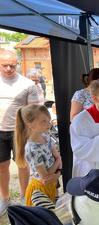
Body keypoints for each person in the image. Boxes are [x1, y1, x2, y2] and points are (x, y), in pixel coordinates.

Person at [0, 49, 41, 216]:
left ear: (17, 64)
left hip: (20, 131)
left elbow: (33, 111)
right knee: (1, 167)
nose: (9, 69)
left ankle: (25, 198)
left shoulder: (27, 84)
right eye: (4, 65)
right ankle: (4, 199)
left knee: (23, 165)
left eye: (12, 65)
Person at [14, 104, 62, 206]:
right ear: (29, 124)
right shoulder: (32, 148)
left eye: (48, 121)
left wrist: (56, 171)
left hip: (52, 183)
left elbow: (56, 155)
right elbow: (45, 175)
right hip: (40, 191)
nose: (48, 124)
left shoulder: (46, 136)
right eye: (43, 121)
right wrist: (58, 163)